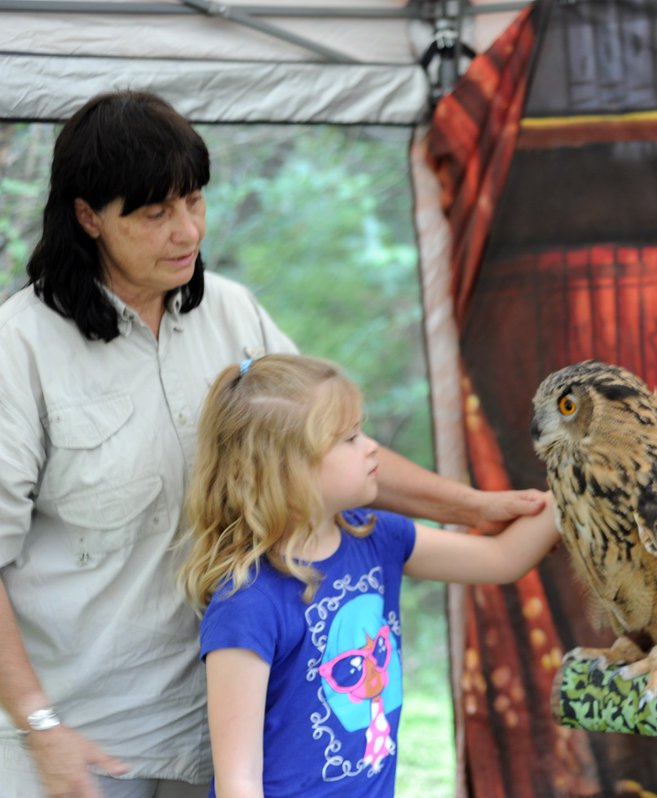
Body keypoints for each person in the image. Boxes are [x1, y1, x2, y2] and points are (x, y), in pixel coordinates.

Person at [0, 90, 545, 798]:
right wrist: (41, 726)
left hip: (231, 723)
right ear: (87, 217)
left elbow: (334, 449)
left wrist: (474, 505)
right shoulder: (20, 348)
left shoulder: (231, 309)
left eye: (194, 201)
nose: (187, 230)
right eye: (155, 212)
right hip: (88, 742)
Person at [178, 354, 560, 797]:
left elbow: (501, 558)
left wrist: (588, 487)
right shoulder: (247, 602)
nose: (372, 447)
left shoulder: (376, 537)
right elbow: (237, 781)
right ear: (286, 469)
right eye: (350, 438)